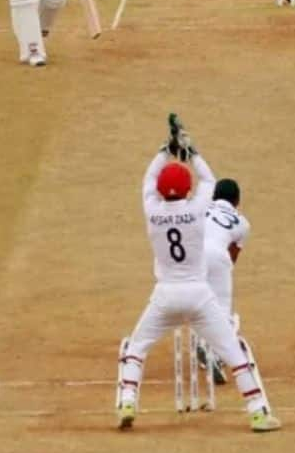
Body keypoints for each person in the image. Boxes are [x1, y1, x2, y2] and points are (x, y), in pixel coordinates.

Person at [116, 117, 279, 432]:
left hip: (165, 294)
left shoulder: (152, 209)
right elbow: (209, 179)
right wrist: (190, 151)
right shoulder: (197, 210)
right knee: (232, 350)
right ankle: (258, 412)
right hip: (199, 293)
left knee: (136, 349)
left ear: (161, 192)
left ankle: (126, 401)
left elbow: (147, 179)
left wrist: (166, 149)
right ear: (187, 190)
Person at [201, 178, 257, 388]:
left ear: (214, 195)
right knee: (222, 312)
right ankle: (215, 356)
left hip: (191, 257)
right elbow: (231, 257)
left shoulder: (201, 207)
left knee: (197, 302)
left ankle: (201, 343)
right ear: (237, 201)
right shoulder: (242, 222)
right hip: (218, 256)